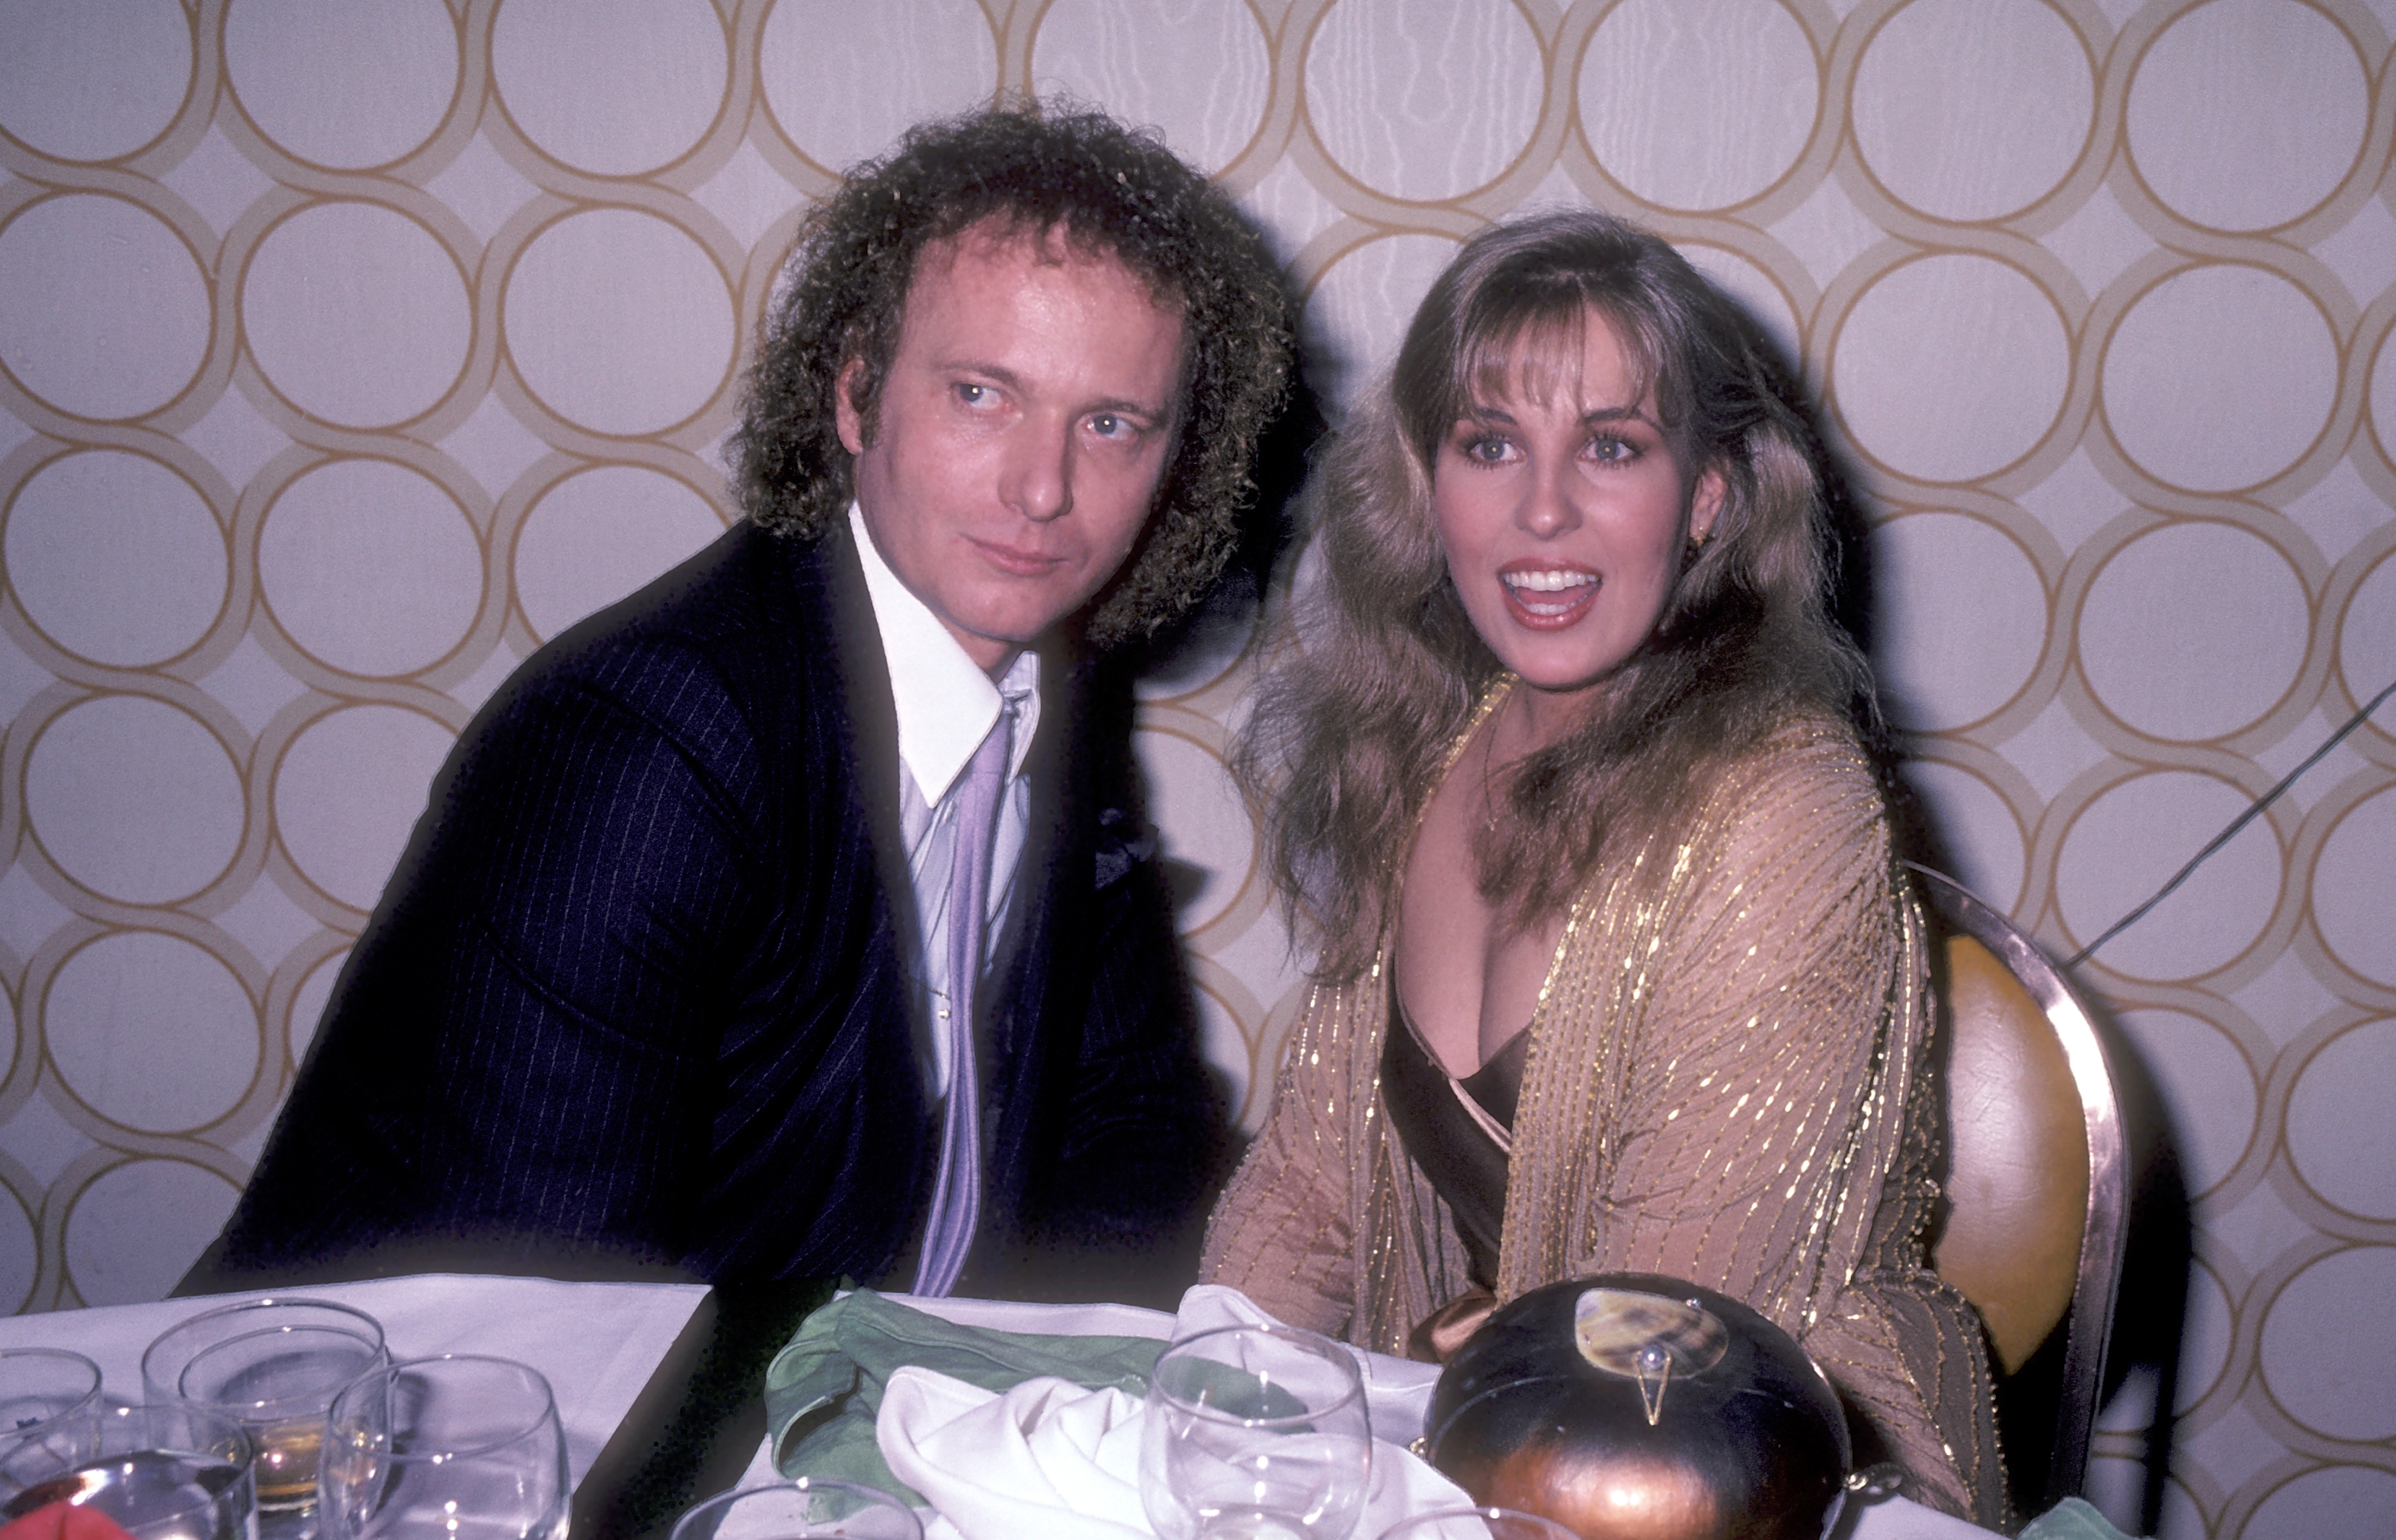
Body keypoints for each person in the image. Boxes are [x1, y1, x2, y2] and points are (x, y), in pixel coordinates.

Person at [185, 104, 1295, 1308]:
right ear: (856, 397)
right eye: (981, 394)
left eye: (1111, 424)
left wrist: (1009, 1409)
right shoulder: (646, 756)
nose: (1043, 488)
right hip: (368, 1455)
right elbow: (544, 1329)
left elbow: (1127, 1123)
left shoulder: (1048, 688)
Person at [1200, 211, 2007, 1525]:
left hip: (1754, 1479)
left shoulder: (1789, 815)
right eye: (1489, 443)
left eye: (1612, 446)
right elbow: (1305, 1192)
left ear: (1709, 494)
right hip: (1472, 1448)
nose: (1543, 510)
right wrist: (1203, 1412)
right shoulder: (1423, 747)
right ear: (1426, 483)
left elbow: (1657, 1371)